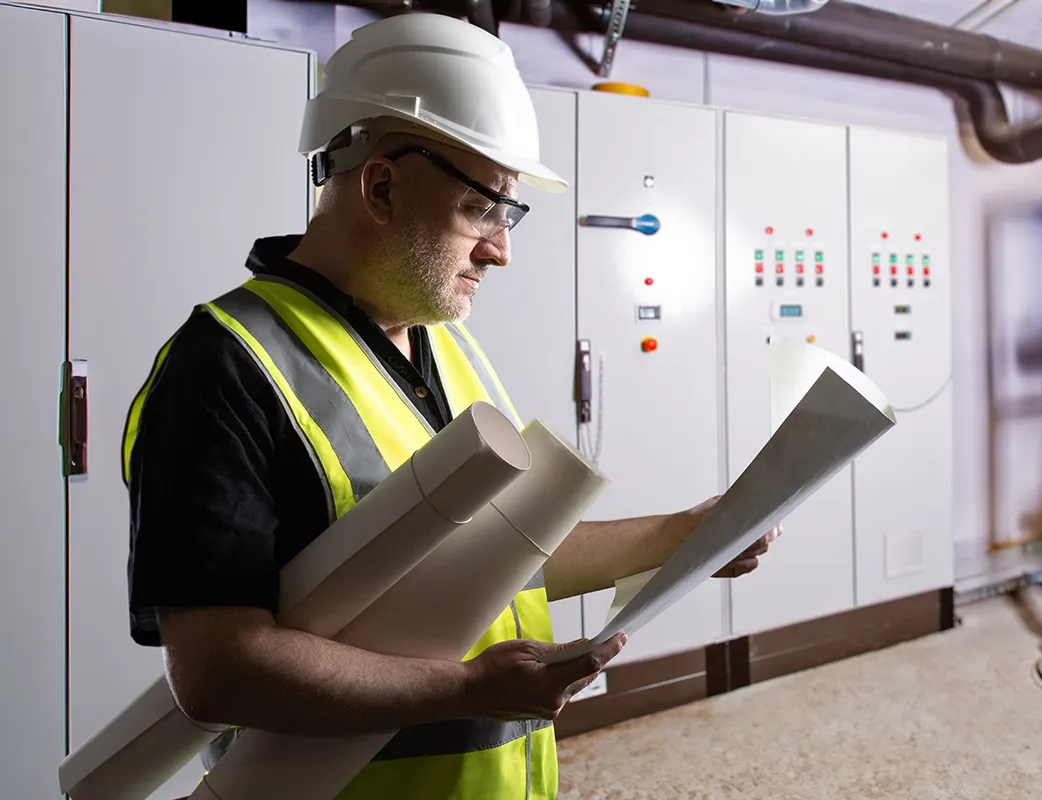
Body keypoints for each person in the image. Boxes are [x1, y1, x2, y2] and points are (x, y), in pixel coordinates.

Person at [124, 11, 780, 800]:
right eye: (483, 208)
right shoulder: (224, 365)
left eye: (510, 213)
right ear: (382, 184)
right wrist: (464, 691)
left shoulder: (446, 344)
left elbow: (500, 557)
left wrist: (680, 536)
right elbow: (217, 670)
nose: (502, 248)